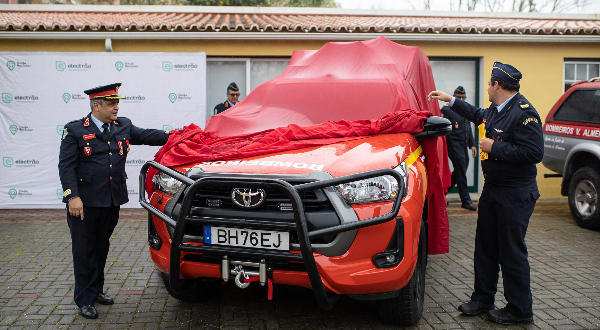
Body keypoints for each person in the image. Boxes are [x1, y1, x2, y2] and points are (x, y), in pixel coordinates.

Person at [428, 62, 543, 325]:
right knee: (486, 247)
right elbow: (478, 113)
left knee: (511, 252)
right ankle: (483, 297)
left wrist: (494, 147)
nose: (487, 88)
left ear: (497, 85)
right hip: (493, 190)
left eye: (489, 83)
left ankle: (519, 310)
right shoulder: (496, 108)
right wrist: (451, 101)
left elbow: (534, 153)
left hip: (515, 194)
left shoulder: (524, 114)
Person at [58, 83, 170, 319]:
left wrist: (177, 136)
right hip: (84, 203)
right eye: (111, 103)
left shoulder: (123, 126)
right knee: (84, 251)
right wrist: (72, 196)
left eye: (117, 102)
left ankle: (96, 290)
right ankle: (84, 299)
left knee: (101, 247)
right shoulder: (76, 130)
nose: (116, 107)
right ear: (96, 106)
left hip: (111, 200)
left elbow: (149, 135)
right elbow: (66, 166)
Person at [441, 86, 478, 211]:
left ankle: (441, 193)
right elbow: (444, 131)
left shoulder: (464, 109)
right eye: (459, 97)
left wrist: (472, 144)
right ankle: (466, 200)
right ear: (454, 97)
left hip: (463, 145)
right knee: (461, 172)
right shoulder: (447, 110)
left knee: (459, 172)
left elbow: (468, 127)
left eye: (463, 97)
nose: (462, 99)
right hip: (453, 145)